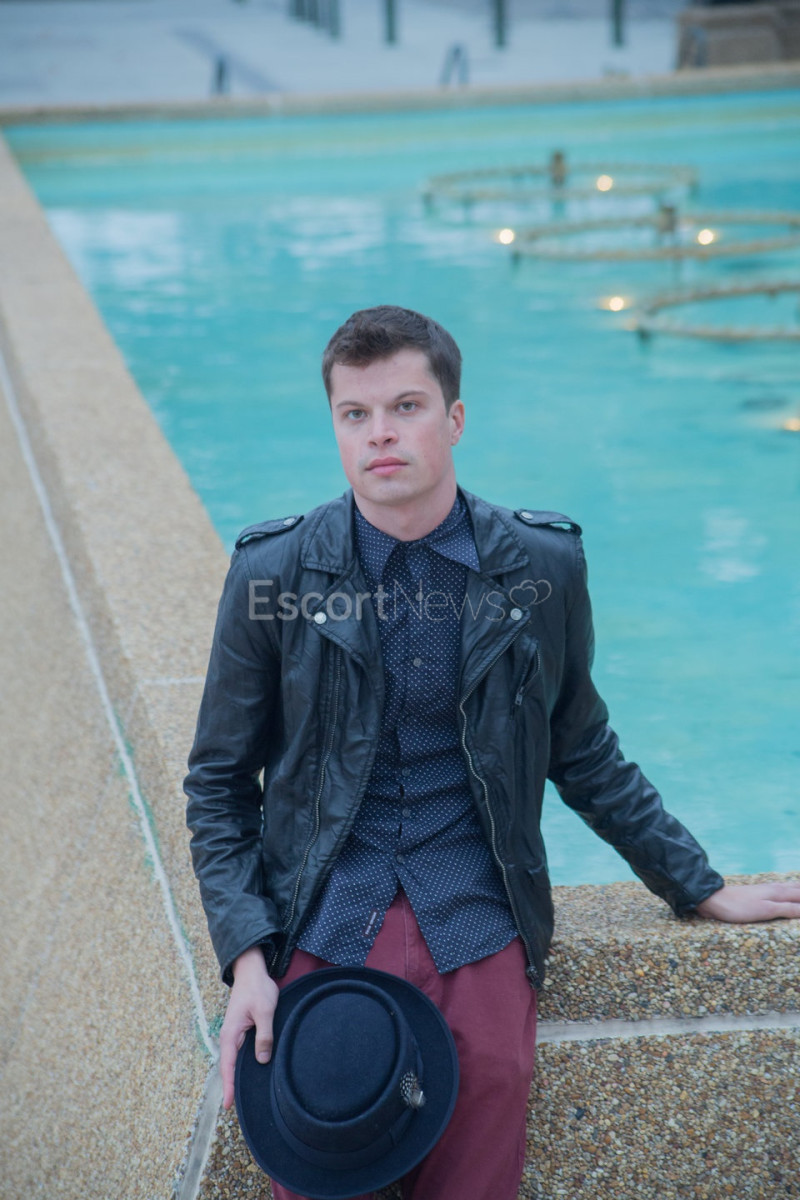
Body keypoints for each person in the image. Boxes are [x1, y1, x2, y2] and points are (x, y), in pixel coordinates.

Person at [185, 305, 800, 1200]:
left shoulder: (542, 566)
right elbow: (217, 783)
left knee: (489, 1110)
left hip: (475, 907)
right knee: (312, 1131)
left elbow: (580, 744)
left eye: (406, 407)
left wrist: (696, 883)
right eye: (356, 414)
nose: (380, 433)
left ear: (455, 418)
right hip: (321, 913)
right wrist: (246, 956)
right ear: (336, 427)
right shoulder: (272, 576)